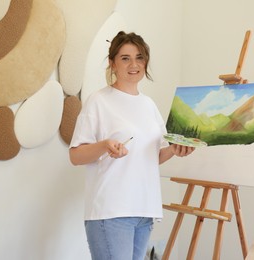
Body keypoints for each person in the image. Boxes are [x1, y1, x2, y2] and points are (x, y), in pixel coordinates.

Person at [69, 31, 195, 260]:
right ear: (112, 63)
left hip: (144, 210)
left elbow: (151, 156)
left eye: (139, 57)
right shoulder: (99, 100)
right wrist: (105, 145)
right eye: (125, 58)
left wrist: (173, 151)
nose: (134, 64)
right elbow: (76, 155)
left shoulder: (149, 105)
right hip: (111, 210)